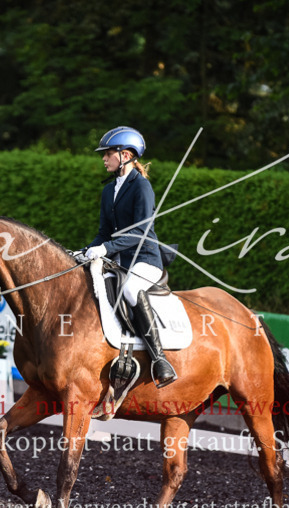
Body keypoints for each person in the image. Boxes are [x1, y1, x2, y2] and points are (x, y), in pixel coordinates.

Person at [78, 126, 177, 388]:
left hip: (145, 260)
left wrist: (107, 249)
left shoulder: (141, 187)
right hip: (120, 261)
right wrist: (86, 250)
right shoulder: (108, 190)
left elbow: (141, 232)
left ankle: (159, 360)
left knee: (132, 290)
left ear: (125, 155)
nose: (103, 158)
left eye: (108, 153)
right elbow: (103, 233)